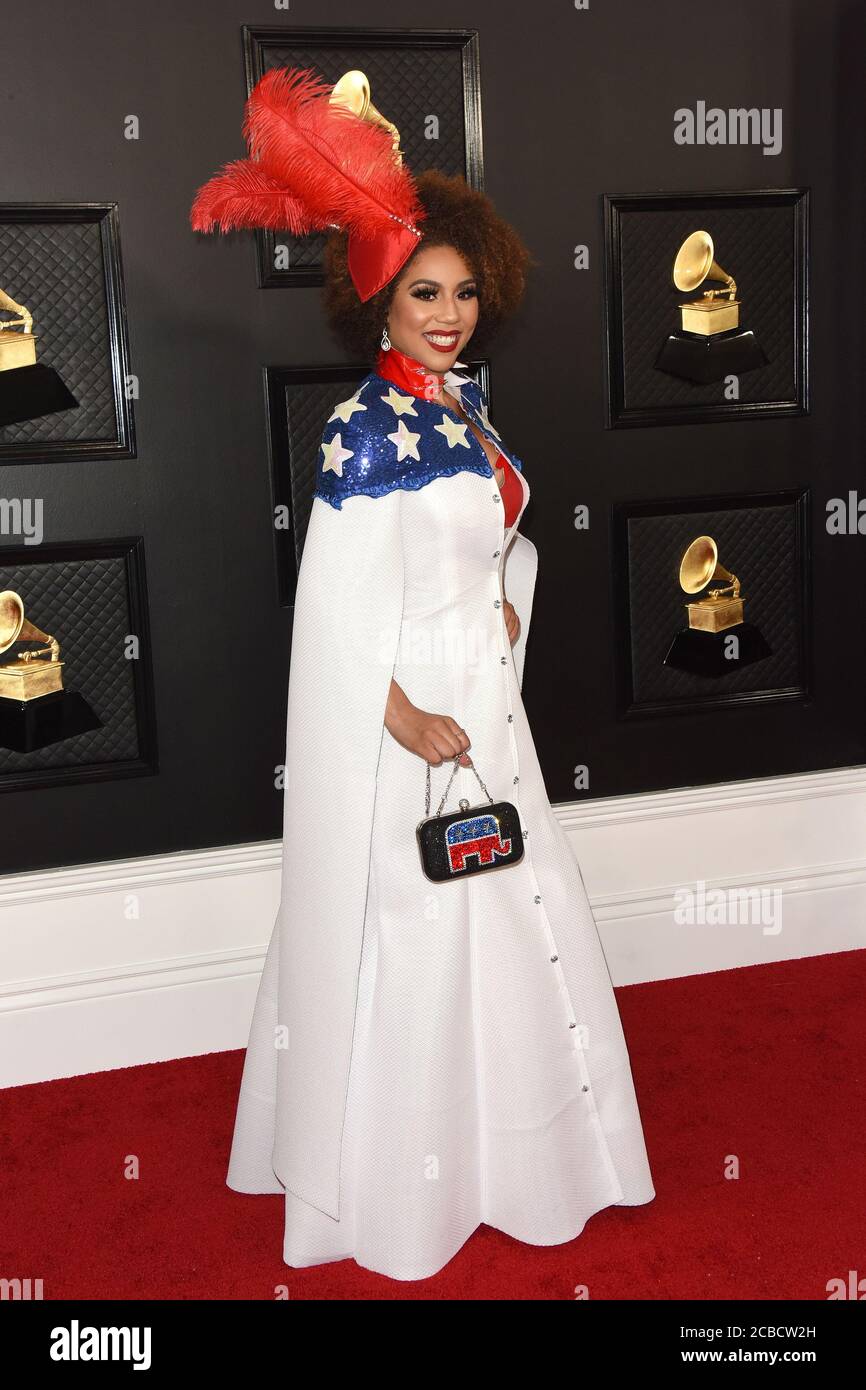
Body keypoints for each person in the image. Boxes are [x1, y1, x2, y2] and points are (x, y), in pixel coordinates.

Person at [191, 64, 655, 1283]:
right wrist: (397, 712)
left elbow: (488, 541)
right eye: (420, 294)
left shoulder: (459, 408)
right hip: (417, 735)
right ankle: (392, 1188)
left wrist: (499, 612)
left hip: (484, 713)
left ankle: (512, 1156)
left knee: (504, 919)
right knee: (403, 932)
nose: (445, 313)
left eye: (460, 292)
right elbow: (334, 611)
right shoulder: (367, 429)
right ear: (376, 302)